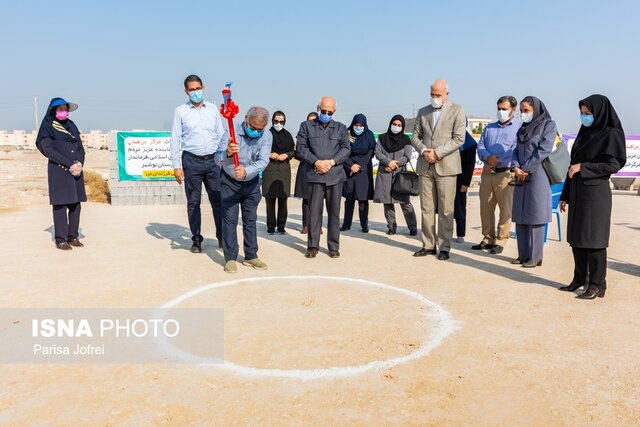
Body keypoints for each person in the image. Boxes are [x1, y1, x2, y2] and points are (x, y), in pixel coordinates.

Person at [558, 95, 626, 299]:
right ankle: (579, 279)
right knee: (577, 239)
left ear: (600, 112)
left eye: (588, 113)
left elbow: (614, 165)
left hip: (596, 194)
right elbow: (572, 165)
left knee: (593, 240)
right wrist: (565, 195)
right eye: (582, 113)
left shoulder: (611, 133)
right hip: (578, 192)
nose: (584, 117)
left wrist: (584, 167)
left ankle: (598, 284)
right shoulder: (585, 132)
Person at [411, 80, 466, 260]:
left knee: (445, 209)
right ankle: (428, 244)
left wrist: (437, 153)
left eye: (438, 95)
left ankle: (444, 246)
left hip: (446, 166)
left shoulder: (457, 110)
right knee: (426, 208)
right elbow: (415, 137)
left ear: (446, 94)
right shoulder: (423, 112)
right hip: (425, 165)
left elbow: (459, 139)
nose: (435, 98)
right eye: (432, 94)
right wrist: (425, 151)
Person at [170, 74, 225, 253]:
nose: (196, 92)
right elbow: (175, 139)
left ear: (203, 88)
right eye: (192, 89)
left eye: (198, 88)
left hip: (213, 161)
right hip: (191, 160)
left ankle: (222, 236)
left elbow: (221, 134)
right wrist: (176, 166)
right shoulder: (180, 111)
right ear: (186, 91)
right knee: (193, 202)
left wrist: (224, 158)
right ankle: (196, 238)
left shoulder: (213, 109)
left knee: (218, 200)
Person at [217, 106, 272, 273]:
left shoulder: (267, 135)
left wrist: (246, 171)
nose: (256, 132)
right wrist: (227, 152)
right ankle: (231, 258)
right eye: (253, 127)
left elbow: (263, 161)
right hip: (230, 183)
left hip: (252, 182)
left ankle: (251, 255)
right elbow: (216, 159)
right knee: (230, 221)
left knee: (250, 220)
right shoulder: (230, 134)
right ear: (246, 118)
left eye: (259, 129)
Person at [296, 97, 350, 258]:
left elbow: (346, 148)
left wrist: (332, 162)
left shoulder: (341, 128)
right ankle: (313, 245)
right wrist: (316, 162)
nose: (326, 114)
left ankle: (333, 246)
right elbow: (301, 147)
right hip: (315, 175)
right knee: (314, 212)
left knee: (334, 213)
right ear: (318, 108)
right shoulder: (306, 126)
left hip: (335, 176)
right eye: (323, 110)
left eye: (329, 111)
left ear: (334, 111)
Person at [510, 96, 556, 268]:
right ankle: (523, 254)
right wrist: (516, 168)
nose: (523, 114)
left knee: (536, 216)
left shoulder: (548, 125)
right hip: (520, 175)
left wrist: (526, 168)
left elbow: (544, 149)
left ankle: (536, 256)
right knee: (521, 215)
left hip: (538, 175)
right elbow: (515, 150)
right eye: (521, 111)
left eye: (526, 111)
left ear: (535, 110)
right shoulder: (522, 128)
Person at [472, 96, 520, 253]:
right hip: (487, 173)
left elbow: (515, 149)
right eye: (499, 108)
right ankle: (488, 238)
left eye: (504, 109)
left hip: (505, 173)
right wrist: (487, 158)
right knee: (485, 207)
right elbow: (480, 145)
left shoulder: (519, 128)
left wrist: (495, 161)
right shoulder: (489, 128)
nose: (501, 111)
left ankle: (501, 240)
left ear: (513, 110)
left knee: (505, 210)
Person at [36, 98, 86, 250]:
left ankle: (73, 236)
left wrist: (79, 163)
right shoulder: (47, 127)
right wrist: (69, 164)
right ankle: (61, 239)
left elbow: (80, 147)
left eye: (65, 109)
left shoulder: (72, 126)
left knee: (75, 204)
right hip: (59, 171)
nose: (64, 111)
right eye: (60, 109)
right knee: (60, 205)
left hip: (76, 171)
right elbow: (48, 150)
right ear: (53, 111)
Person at [373, 114, 417, 236]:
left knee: (405, 202)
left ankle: (412, 226)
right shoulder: (382, 138)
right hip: (385, 172)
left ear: (402, 127)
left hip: (400, 174)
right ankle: (391, 226)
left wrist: (395, 164)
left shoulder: (406, 140)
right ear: (390, 124)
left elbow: (407, 156)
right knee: (387, 202)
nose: (396, 127)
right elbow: (377, 153)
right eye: (394, 124)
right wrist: (388, 162)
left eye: (399, 125)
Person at [341, 113, 375, 233]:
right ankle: (346, 224)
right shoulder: (347, 134)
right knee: (349, 199)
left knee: (363, 199)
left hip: (363, 170)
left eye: (361, 125)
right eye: (356, 125)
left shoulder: (369, 135)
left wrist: (358, 165)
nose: (358, 127)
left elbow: (370, 152)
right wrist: (351, 165)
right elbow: (343, 151)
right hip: (349, 170)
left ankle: (364, 224)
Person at [262, 111, 294, 235]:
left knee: (283, 199)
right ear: (272, 121)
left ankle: (281, 226)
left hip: (284, 169)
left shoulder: (288, 135)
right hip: (270, 169)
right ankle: (270, 226)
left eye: (281, 121)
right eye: (276, 121)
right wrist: (269, 154)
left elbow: (293, 151)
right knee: (270, 200)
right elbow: (259, 149)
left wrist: (286, 155)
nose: (278, 124)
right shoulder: (266, 134)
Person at [293, 112, 318, 234]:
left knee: (318, 199)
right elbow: (297, 153)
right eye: (309, 120)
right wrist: (308, 158)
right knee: (306, 200)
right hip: (305, 169)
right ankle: (306, 225)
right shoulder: (301, 137)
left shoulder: (321, 138)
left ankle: (316, 226)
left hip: (318, 169)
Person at [453, 129, 477, 243]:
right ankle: (445, 232)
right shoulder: (449, 138)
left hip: (461, 179)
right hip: (447, 177)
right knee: (444, 206)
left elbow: (470, 165)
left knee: (460, 206)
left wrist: (466, 183)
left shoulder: (470, 143)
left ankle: (460, 233)